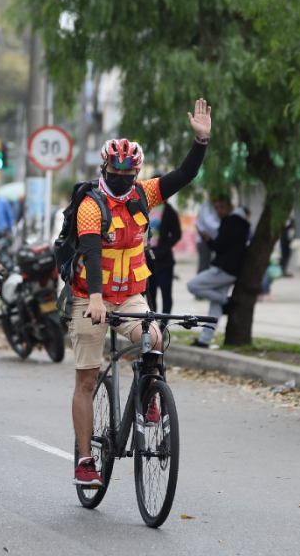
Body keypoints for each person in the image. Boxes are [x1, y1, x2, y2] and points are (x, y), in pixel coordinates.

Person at [70, 98, 211, 487]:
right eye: (116, 173)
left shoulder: (141, 195)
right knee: (86, 379)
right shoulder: (90, 205)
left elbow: (183, 175)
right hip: (90, 296)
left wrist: (200, 143)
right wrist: (95, 299)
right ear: (104, 169)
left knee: (153, 337)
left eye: (130, 173)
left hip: (130, 296)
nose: (123, 180)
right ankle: (85, 460)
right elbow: (91, 254)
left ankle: (150, 396)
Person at [187, 201, 249, 347]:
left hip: (224, 269)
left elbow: (219, 246)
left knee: (192, 285)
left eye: (222, 207)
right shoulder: (238, 224)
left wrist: (208, 241)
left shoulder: (230, 222)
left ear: (230, 207)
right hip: (231, 270)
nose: (219, 211)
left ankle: (226, 301)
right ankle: (204, 340)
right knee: (215, 306)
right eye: (216, 208)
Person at [145, 184, 182, 314]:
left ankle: (163, 327)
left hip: (163, 260)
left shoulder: (169, 211)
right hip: (146, 258)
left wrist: (163, 249)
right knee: (150, 295)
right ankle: (153, 326)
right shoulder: (145, 208)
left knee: (166, 295)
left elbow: (177, 234)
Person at [195, 200, 220, 274]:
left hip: (211, 240)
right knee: (204, 267)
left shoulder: (211, 206)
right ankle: (200, 284)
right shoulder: (208, 206)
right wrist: (222, 227)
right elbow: (209, 222)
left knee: (207, 266)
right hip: (204, 241)